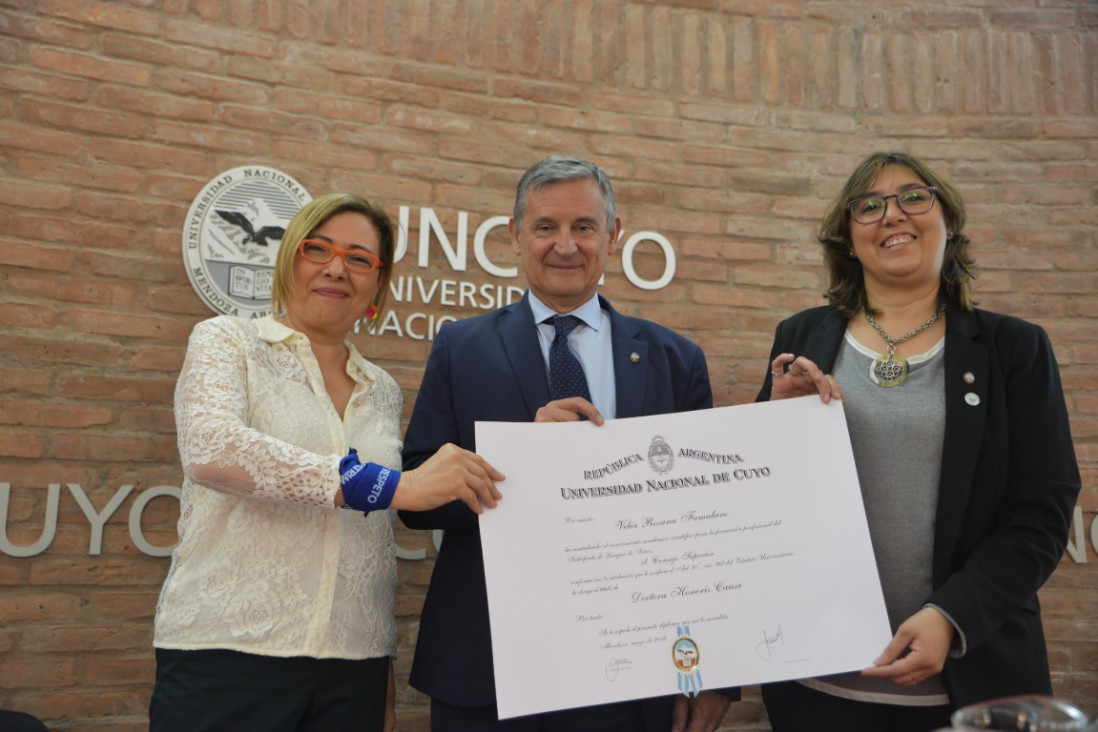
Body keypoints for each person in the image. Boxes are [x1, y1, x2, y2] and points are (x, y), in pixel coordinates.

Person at [399, 156, 737, 731]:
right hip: (487, 665)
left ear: (613, 234)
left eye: (583, 227)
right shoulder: (461, 348)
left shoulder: (675, 360)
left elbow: (698, 529)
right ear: (515, 236)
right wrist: (526, 459)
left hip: (636, 669)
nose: (565, 245)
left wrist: (714, 674)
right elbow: (416, 495)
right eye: (545, 227)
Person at [149, 193, 503, 732]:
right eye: (319, 249)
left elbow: (372, 548)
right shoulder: (228, 340)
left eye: (360, 258)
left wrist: (379, 676)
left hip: (351, 672)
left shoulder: (381, 389)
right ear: (291, 257)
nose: (337, 268)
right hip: (228, 654)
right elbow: (212, 450)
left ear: (377, 285)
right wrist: (389, 486)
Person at [756, 152, 1081, 731]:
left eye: (914, 197)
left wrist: (953, 616)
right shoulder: (799, 336)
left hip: (970, 687)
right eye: (869, 205)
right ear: (848, 240)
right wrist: (778, 427)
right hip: (813, 684)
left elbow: (1041, 513)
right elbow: (760, 506)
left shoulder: (1015, 349)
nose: (892, 215)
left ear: (947, 221)